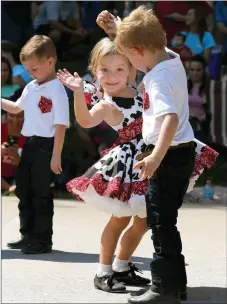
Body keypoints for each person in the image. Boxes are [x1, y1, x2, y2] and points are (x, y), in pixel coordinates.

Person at [96, 7, 219, 303]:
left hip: (167, 154)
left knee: (161, 223)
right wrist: (118, 29)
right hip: (182, 152)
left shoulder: (158, 80)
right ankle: (175, 285)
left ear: (137, 51)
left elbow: (170, 120)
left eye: (128, 55)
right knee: (166, 221)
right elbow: (145, 43)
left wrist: (155, 157)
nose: (130, 61)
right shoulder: (171, 58)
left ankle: (164, 288)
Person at [57, 37, 151, 293]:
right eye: (105, 70)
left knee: (145, 221)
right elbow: (85, 121)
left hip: (150, 160)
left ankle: (122, 266)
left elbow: (151, 56)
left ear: (131, 68)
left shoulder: (139, 89)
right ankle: (103, 272)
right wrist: (78, 92)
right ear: (95, 72)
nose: (112, 76)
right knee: (120, 219)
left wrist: (121, 31)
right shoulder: (107, 105)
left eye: (120, 68)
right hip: (128, 165)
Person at [1, 35, 69, 254]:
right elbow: (15, 108)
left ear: (50, 62)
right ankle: (27, 234)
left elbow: (60, 124)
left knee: (41, 194)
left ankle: (42, 239)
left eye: (34, 69)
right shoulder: (31, 86)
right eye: (28, 70)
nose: (31, 73)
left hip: (47, 145)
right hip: (30, 143)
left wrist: (56, 155)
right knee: (24, 189)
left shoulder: (57, 88)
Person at [1, 111, 26, 194]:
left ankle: (12, 188)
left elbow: (30, 167)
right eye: (11, 115)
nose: (15, 120)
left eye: (19, 116)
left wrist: (17, 157)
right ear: (6, 116)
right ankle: (9, 188)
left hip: (18, 177)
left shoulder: (30, 135)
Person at [188, 55, 210, 141]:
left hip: (201, 126)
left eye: (198, 70)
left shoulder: (209, 87)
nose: (195, 73)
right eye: (192, 70)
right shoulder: (184, 85)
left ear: (204, 70)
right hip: (185, 126)